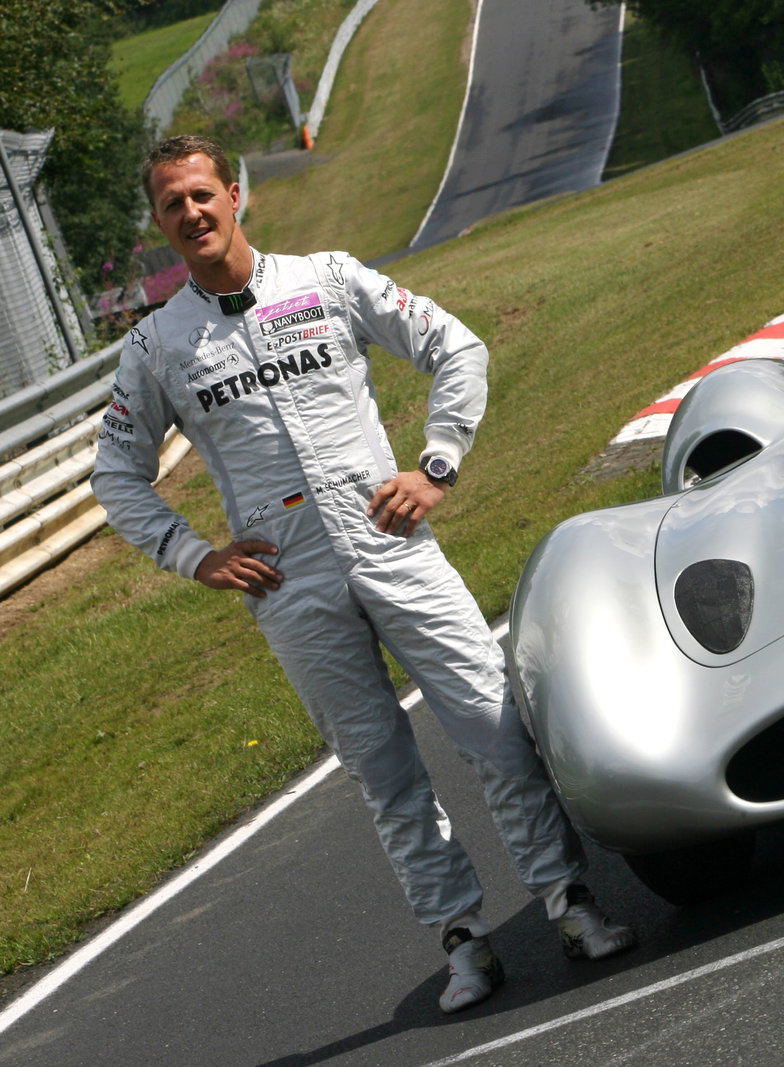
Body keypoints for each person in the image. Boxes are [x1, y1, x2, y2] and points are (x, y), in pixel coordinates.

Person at [92, 134, 636, 1014]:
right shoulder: (158, 346)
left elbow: (458, 349)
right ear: (159, 223)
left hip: (392, 542)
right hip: (289, 585)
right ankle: (462, 940)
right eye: (171, 204)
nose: (191, 213)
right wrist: (195, 554)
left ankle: (568, 899)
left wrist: (437, 465)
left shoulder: (330, 278)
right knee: (384, 775)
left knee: (493, 724)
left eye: (203, 194)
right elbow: (116, 475)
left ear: (237, 195)